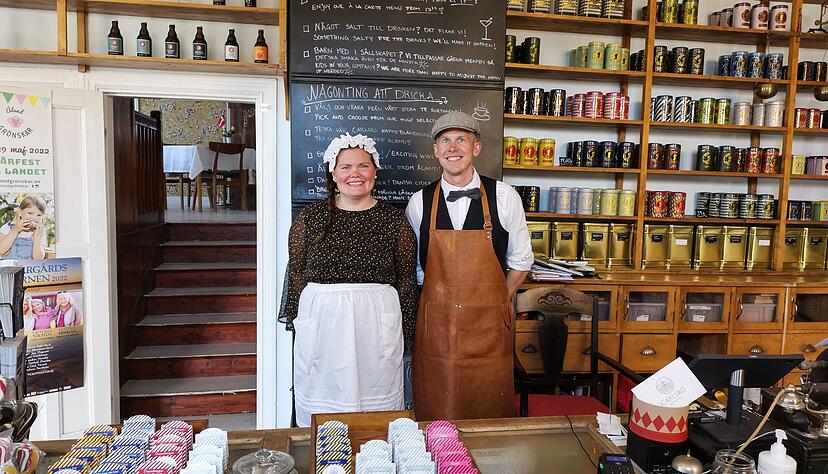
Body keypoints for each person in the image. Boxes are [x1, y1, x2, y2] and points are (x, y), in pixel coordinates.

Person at [279, 133, 419, 427]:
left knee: (377, 405)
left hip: (376, 324)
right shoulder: (311, 218)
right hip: (323, 326)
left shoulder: (395, 221)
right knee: (323, 403)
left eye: (363, 166)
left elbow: (406, 281)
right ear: (333, 172)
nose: (355, 174)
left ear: (375, 171)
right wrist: (302, 320)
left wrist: (407, 331)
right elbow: (296, 272)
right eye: (345, 167)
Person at [406, 111, 534, 421]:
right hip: (437, 329)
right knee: (436, 409)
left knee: (488, 408)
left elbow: (521, 262)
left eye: (461, 139)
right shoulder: (419, 202)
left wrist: (496, 301)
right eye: (445, 141)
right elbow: (417, 271)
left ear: (476, 147)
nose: (453, 147)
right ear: (436, 151)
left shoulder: (505, 197)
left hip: (487, 329)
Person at [0, 195, 47, 261]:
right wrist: (15, 231)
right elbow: (1, 250)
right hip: (9, 269)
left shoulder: (39, 232)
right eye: (30, 213)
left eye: (39, 215)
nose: (34, 218)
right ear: (20, 212)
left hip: (28, 269)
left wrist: (36, 239)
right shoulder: (7, 228)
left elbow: (38, 258)